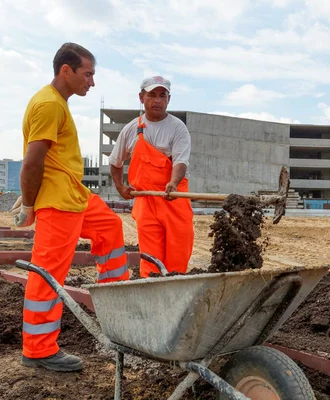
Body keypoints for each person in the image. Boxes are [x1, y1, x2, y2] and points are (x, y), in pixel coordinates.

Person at [12, 43, 129, 372]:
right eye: (88, 74)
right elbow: (32, 162)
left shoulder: (57, 104)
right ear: (66, 70)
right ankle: (38, 349)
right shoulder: (48, 105)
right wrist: (30, 205)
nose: (91, 82)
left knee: (110, 226)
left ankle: (114, 302)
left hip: (73, 194)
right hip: (57, 203)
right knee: (49, 273)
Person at [109, 76, 194, 277]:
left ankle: (175, 286)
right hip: (147, 201)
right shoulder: (131, 129)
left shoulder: (177, 128)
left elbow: (181, 161)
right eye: (152, 95)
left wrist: (172, 183)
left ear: (168, 99)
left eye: (162, 96)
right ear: (141, 97)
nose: (157, 100)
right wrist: (120, 187)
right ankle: (151, 288)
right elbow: (115, 162)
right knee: (150, 257)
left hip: (174, 199)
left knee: (178, 253)